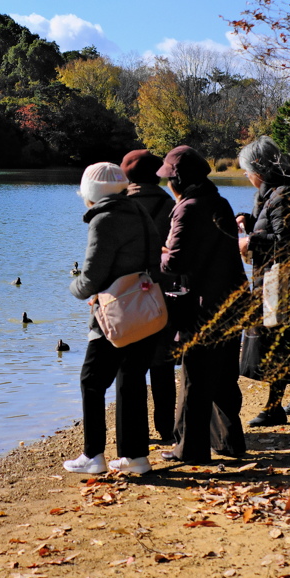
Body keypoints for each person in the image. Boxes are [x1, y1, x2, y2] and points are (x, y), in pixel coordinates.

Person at [63, 162, 164, 475]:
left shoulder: (105, 219)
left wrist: (75, 287)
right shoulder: (139, 210)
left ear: (91, 193)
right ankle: (136, 458)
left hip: (117, 313)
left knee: (91, 382)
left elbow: (92, 276)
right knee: (131, 379)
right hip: (147, 308)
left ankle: (93, 455)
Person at [157, 145, 248, 464]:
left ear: (178, 181)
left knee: (195, 377)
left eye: (168, 178)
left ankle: (191, 449)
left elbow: (175, 262)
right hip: (232, 301)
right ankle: (229, 442)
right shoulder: (219, 202)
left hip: (202, 305)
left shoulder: (187, 208)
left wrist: (161, 251)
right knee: (224, 377)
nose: (166, 183)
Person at [236, 136, 290, 426]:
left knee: (279, 339)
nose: (247, 177)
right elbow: (278, 226)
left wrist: (249, 242)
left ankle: (274, 408)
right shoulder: (281, 189)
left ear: (258, 170)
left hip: (285, 280)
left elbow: (283, 241)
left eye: (247, 172)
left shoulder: (282, 193)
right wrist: (250, 222)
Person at [119, 149, 177, 443]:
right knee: (163, 364)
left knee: (130, 367)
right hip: (162, 293)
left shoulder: (118, 205)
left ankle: (135, 434)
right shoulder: (170, 204)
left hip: (125, 297)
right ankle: (167, 428)